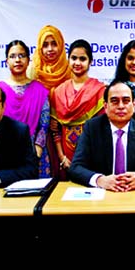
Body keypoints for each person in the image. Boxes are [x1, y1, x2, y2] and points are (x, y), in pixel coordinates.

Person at [68, 81, 135, 191]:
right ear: (105, 106)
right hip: (103, 194)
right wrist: (99, 180)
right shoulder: (92, 128)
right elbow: (76, 167)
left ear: (134, 105)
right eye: (115, 101)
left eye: (126, 101)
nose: (121, 106)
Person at [49, 39, 105, 180]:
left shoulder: (99, 91)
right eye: (74, 58)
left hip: (92, 157)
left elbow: (102, 130)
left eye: (82, 59)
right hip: (66, 159)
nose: (77, 63)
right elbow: (55, 130)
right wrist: (62, 158)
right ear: (68, 60)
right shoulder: (58, 92)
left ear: (90, 62)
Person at [0, 40, 51, 178]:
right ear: (6, 61)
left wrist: (37, 150)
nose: (17, 60)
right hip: (6, 151)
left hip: (35, 152)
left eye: (22, 56)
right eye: (12, 56)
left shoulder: (39, 90)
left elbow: (44, 125)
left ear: (28, 60)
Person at [28, 25, 70, 90]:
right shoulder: (33, 71)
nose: (50, 49)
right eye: (45, 45)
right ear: (40, 48)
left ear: (60, 44)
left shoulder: (70, 70)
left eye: (54, 44)